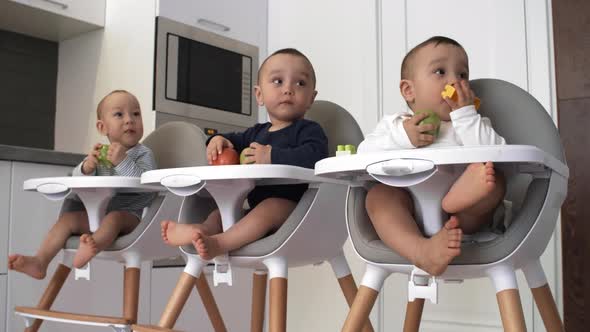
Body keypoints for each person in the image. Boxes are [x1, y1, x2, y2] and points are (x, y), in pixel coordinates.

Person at [358, 36, 506, 276]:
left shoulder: (469, 123)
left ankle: (453, 202)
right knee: (377, 196)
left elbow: (500, 153)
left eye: (462, 75)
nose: (454, 82)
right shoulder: (396, 125)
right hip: (409, 212)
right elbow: (363, 153)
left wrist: (466, 115)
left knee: (495, 180)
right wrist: (403, 138)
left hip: (461, 218)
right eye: (440, 72)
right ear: (409, 90)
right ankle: (421, 251)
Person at [161, 48, 328, 260]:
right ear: (259, 95)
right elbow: (231, 139)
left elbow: (315, 157)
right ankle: (202, 230)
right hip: (256, 213)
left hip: (296, 213)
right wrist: (217, 140)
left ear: (311, 98)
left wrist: (271, 157)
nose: (288, 89)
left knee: (271, 206)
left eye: (300, 83)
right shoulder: (255, 133)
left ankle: (220, 243)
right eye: (278, 81)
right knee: (221, 212)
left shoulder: (309, 131)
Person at [8, 90, 156, 278]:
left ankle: (91, 246)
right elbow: (78, 178)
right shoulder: (101, 154)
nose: (129, 120)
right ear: (103, 128)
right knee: (67, 220)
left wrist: (122, 161)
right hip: (97, 214)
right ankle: (40, 261)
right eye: (119, 114)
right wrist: (88, 166)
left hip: (131, 217)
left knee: (114, 218)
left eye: (136, 114)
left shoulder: (144, 154)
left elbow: (144, 182)